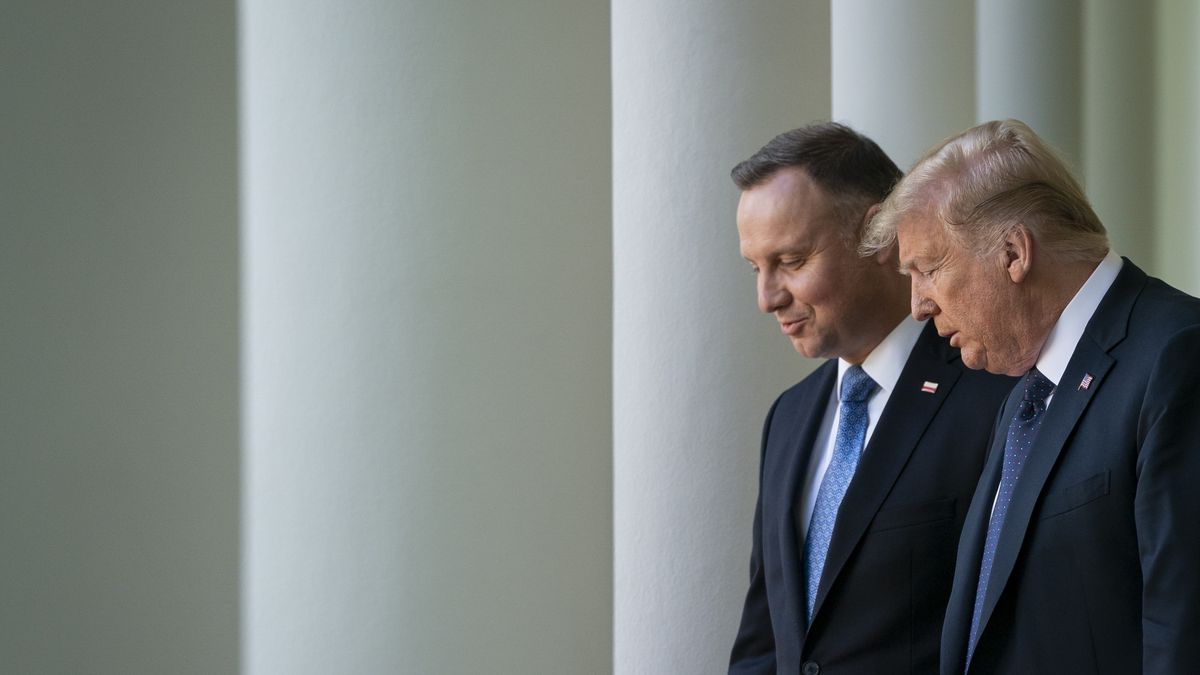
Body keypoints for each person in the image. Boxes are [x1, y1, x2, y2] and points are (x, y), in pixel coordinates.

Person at [863, 118, 1200, 674]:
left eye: (928, 270)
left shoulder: (1177, 355)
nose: (919, 305)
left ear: (1014, 253)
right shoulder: (1028, 389)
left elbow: (1183, 626)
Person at [728, 123, 1015, 675]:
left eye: (790, 261)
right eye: (755, 268)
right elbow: (766, 639)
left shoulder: (995, 391)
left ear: (880, 236)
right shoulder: (788, 418)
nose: (767, 297)